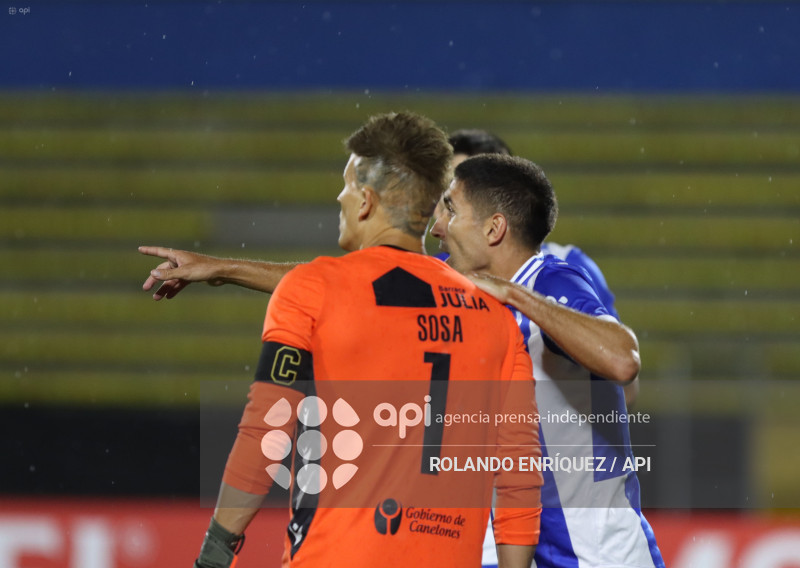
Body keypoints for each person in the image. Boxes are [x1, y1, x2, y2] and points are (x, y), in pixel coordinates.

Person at [187, 112, 543, 568]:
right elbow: (517, 471)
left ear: (366, 202)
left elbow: (266, 432)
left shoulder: (312, 289)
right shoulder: (496, 318)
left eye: (348, 184)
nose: (340, 195)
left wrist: (216, 552)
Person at [431, 153, 664, 568]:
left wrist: (514, 295)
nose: (437, 227)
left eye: (450, 209)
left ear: (494, 227)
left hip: (598, 555)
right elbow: (343, 289)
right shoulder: (452, 283)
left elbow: (623, 361)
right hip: (506, 545)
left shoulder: (550, 281)